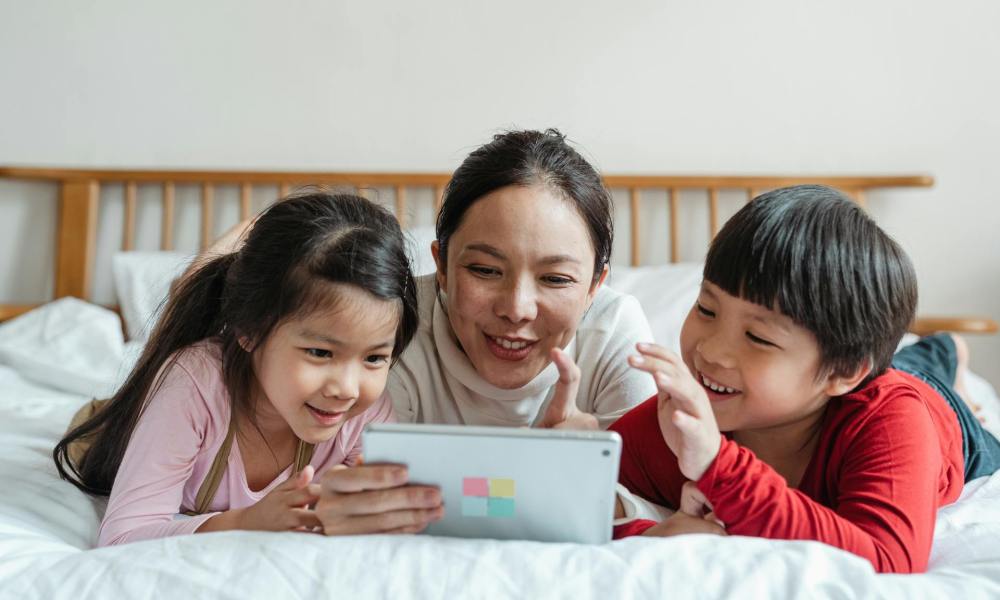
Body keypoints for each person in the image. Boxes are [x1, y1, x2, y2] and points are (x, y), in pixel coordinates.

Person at [610, 185, 1000, 573]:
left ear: (843, 372)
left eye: (758, 337)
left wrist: (718, 466)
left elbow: (886, 560)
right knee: (905, 361)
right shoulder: (676, 423)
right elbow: (583, 504)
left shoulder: (892, 420)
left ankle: (949, 351)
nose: (710, 352)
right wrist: (652, 534)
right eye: (707, 309)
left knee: (919, 370)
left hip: (940, 414)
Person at [315, 129, 658, 533]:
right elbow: (344, 479)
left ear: (594, 286)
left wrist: (593, 484)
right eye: (484, 270)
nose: (516, 309)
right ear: (441, 267)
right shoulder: (396, 322)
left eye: (555, 279)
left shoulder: (615, 330)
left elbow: (667, 507)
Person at [53, 190, 427, 545]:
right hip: (109, 424)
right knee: (171, 341)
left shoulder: (364, 408)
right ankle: (204, 268)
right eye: (319, 352)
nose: (347, 387)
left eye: (375, 358)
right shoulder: (193, 380)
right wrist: (247, 521)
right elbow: (122, 536)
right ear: (249, 330)